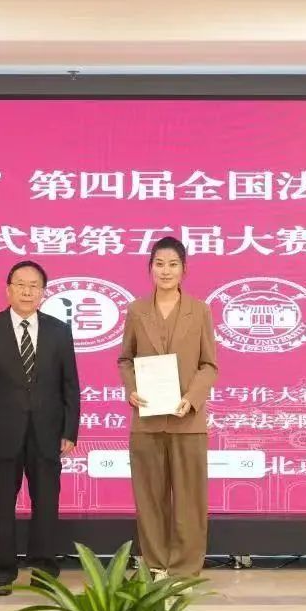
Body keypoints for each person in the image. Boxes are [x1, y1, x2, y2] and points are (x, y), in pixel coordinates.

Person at [0, 260, 80, 596]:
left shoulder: (59, 331)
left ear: (43, 292)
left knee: (46, 504)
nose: (27, 291)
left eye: (34, 286)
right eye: (21, 284)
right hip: (1, 433)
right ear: (8, 290)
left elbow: (70, 385)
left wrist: (70, 430)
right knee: (1, 506)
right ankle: (2, 573)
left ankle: (44, 571)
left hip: (48, 433)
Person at [118, 236, 218, 579]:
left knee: (190, 501)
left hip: (187, 421)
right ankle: (156, 564)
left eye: (173, 264)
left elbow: (209, 365)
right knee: (149, 499)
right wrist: (132, 389)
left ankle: (185, 570)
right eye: (159, 264)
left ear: (184, 269)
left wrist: (192, 398)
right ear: (150, 268)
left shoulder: (200, 310)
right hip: (147, 420)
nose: (166, 271)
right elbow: (125, 359)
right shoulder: (136, 310)